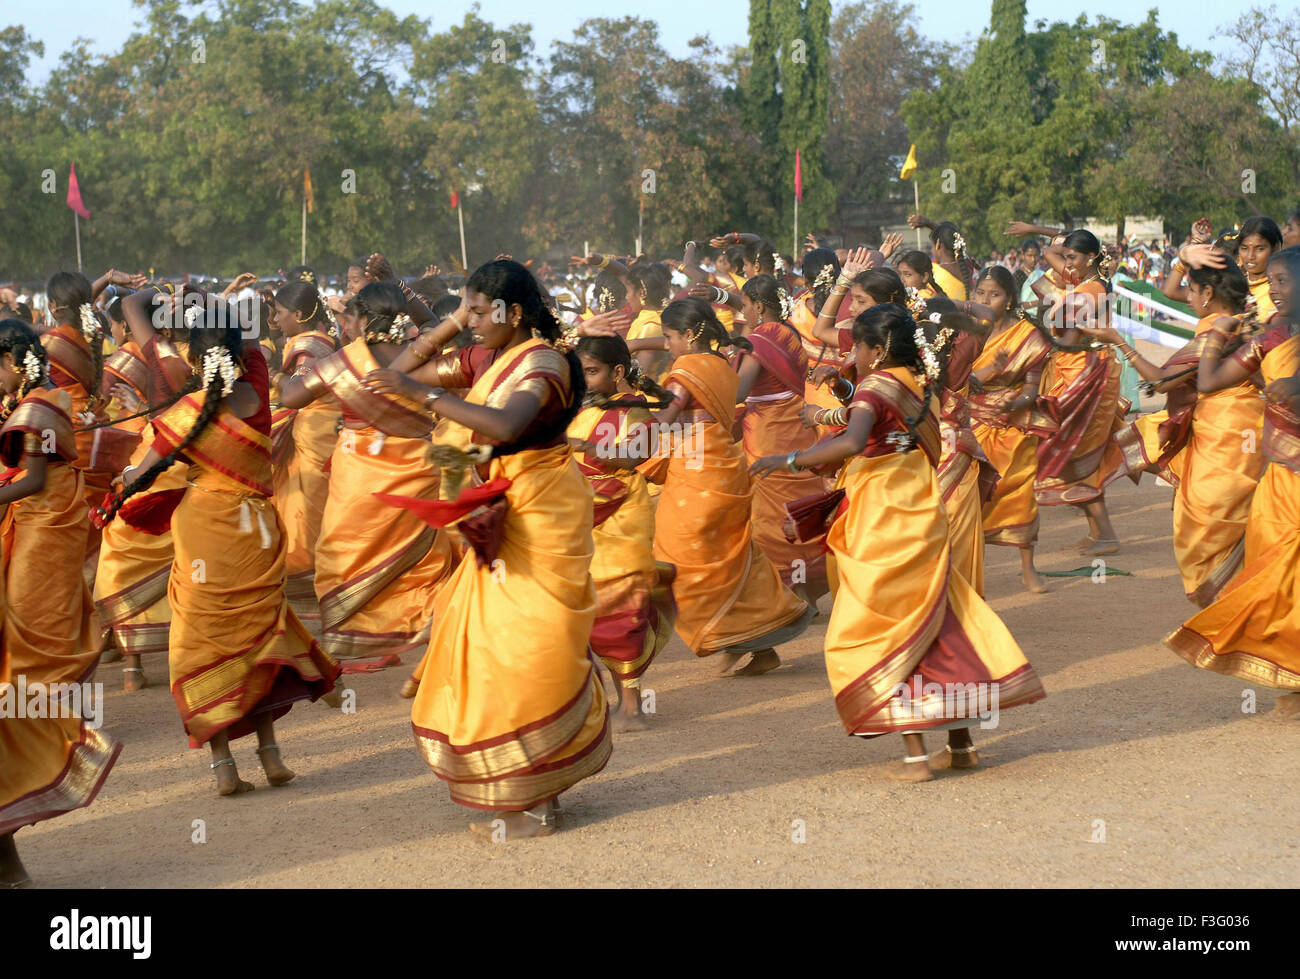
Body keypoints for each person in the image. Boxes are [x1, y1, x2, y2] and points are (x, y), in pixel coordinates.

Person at [365, 259, 610, 839]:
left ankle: (532, 797)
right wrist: (454, 320)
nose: (469, 321)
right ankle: (537, 792)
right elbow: (400, 367)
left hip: (539, 514)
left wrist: (423, 395)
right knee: (503, 649)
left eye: (479, 310)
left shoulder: (544, 363)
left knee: (526, 650)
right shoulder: (493, 357)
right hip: (504, 510)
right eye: (466, 310)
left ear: (514, 313)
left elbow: (502, 427)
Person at [750, 304, 1044, 782]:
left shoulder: (876, 385)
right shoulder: (919, 382)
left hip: (883, 514)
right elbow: (886, 432)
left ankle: (915, 758)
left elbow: (852, 441)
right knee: (940, 620)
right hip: (921, 510)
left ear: (876, 348)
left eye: (858, 347)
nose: (854, 354)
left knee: (881, 624)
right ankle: (962, 745)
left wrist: (791, 459)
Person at [94, 296, 340, 796]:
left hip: (206, 532)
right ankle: (271, 756)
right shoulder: (257, 396)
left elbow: (145, 473)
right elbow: (247, 350)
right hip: (260, 531)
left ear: (193, 358)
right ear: (240, 351)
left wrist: (117, 491)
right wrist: (220, 310)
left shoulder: (187, 412)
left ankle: (224, 765)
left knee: (202, 640)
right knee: (261, 633)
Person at [277, 282, 459, 670]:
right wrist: (405, 289)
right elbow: (431, 323)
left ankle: (357, 645)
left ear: (360, 318)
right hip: (415, 465)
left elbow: (291, 397)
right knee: (417, 556)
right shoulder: (419, 352)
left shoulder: (342, 362)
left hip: (359, 470)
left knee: (344, 554)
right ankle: (424, 624)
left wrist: (280, 375)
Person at [0, 318, 121, 887]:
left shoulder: (39, 407)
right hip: (34, 526)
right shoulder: (31, 400)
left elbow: (29, 480)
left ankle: (40, 709)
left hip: (40, 528)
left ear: (12, 360)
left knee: (30, 635)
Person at [642, 297, 815, 676]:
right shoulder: (721, 364)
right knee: (729, 558)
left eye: (669, 337)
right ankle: (755, 642)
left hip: (696, 473)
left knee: (682, 561)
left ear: (688, 336)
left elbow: (665, 422)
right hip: (724, 466)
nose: (667, 345)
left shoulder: (685, 370)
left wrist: (631, 413)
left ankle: (729, 636)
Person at [1166, 246, 1300, 710]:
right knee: (1276, 576)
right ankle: (1293, 679)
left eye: (1284, 281)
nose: (1275, 290)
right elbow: (1208, 383)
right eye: (1274, 282)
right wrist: (1216, 337)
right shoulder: (1267, 338)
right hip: (1281, 480)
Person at [1088, 257, 1264, 605]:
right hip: (1243, 428)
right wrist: (1183, 262)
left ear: (1209, 293)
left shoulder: (1218, 329)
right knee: (1230, 518)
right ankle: (1237, 601)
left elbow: (1162, 381)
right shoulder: (1241, 324)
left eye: (1194, 293)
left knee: (1203, 525)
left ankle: (1233, 607)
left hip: (1225, 436)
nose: (1189, 299)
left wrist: (1117, 340)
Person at [567, 336, 677, 730]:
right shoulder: (588, 408)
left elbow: (635, 456)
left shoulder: (639, 413)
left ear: (617, 372)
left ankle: (631, 705)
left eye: (592, 372)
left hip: (620, 519)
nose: (585, 380)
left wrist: (581, 445)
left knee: (620, 611)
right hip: (580, 517)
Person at [1007, 224, 1127, 553]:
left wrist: (1028, 338)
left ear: (1091, 257)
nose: (1066, 264)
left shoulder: (1090, 291)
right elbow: (1049, 252)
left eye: (1073, 257)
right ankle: (1101, 532)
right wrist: (1037, 230)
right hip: (1078, 367)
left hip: (1085, 371)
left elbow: (1067, 337)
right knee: (1078, 451)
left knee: (1071, 448)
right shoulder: (1083, 279)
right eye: (1067, 258)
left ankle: (1105, 534)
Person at [734, 274, 832, 604]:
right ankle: (808, 588)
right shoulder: (788, 333)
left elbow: (738, 391)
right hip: (797, 428)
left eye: (746, 305)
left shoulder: (761, 340)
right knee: (797, 507)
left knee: (771, 517)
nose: (743, 311)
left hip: (769, 436)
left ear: (759, 307)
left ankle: (786, 595)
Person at [968, 266, 1053, 593]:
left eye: (995, 294)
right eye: (981, 293)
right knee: (969, 497)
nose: (986, 300)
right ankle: (968, 567)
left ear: (1010, 298)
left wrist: (1014, 405)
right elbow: (957, 381)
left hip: (1013, 424)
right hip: (970, 421)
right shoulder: (965, 332)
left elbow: (1032, 388)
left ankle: (1028, 567)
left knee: (1020, 493)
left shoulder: (1028, 336)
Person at [269, 281, 340, 624]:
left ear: (298, 315)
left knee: (303, 515)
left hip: (314, 435)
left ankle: (310, 595)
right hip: (316, 434)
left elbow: (297, 394)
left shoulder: (309, 348)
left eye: (281, 313)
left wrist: (273, 379)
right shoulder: (314, 342)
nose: (276, 319)